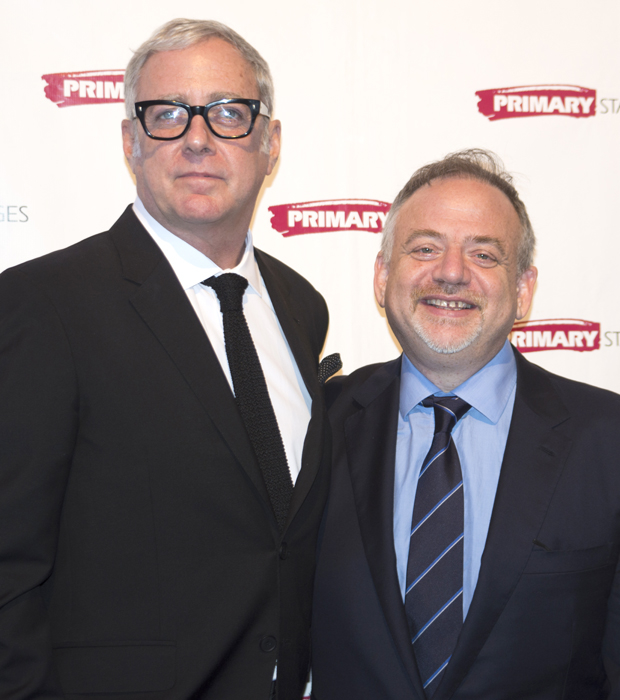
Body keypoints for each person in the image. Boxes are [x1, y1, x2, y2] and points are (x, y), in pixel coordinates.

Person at [0, 18, 331, 700]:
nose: (198, 139)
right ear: (132, 141)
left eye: (229, 113)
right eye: (169, 115)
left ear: (270, 144)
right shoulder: (44, 305)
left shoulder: (302, 306)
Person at [311, 149, 620, 699]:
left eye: (484, 254)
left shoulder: (609, 440)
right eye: (425, 248)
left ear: (523, 290)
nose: (451, 273)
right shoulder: (314, 427)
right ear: (382, 277)